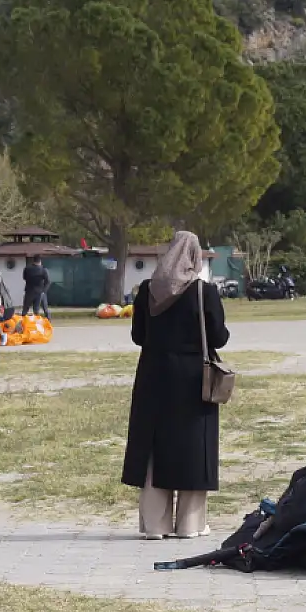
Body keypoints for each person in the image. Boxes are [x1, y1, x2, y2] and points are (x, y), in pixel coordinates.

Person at [122, 230, 229, 540]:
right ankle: (189, 525)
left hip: (153, 375)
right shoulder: (202, 292)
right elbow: (219, 337)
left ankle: (155, 525)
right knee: (193, 446)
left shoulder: (146, 291)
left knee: (155, 445)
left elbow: (138, 337)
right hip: (193, 377)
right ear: (194, 257)